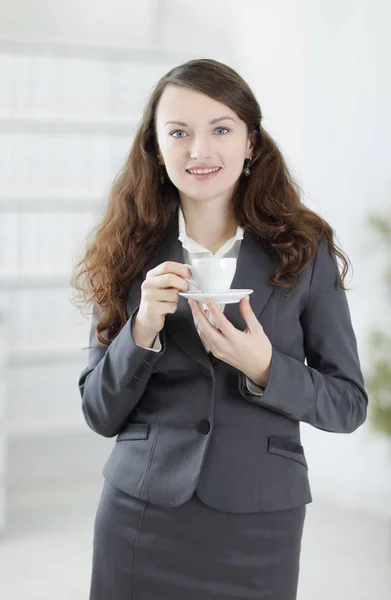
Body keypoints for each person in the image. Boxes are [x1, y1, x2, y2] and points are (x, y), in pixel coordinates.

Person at [72, 58, 368, 600]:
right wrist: (141, 329)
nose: (199, 151)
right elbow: (98, 411)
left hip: (259, 524)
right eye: (178, 132)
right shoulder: (127, 250)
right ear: (156, 149)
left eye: (221, 129)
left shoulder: (304, 249)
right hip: (140, 518)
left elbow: (348, 404)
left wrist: (264, 367)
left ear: (251, 142)